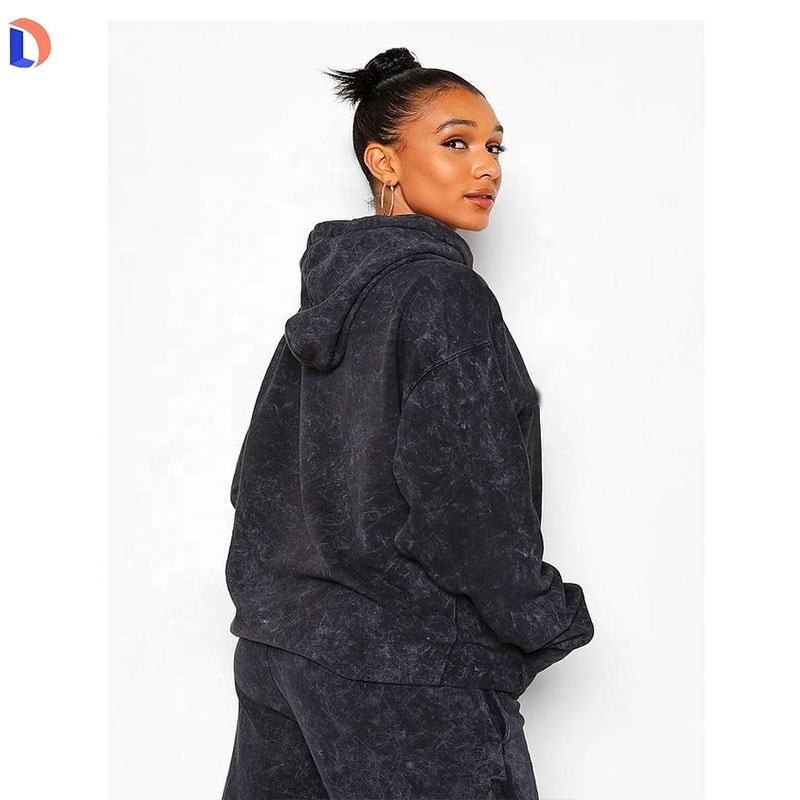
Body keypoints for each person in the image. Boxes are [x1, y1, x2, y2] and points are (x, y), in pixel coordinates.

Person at [221, 47, 594, 800]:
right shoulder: (443, 296)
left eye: (494, 148)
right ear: (383, 161)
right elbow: (469, 504)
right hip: (409, 666)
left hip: (281, 653)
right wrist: (542, 617)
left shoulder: (324, 308)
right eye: (456, 142)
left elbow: (256, 486)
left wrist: (275, 607)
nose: (485, 167)